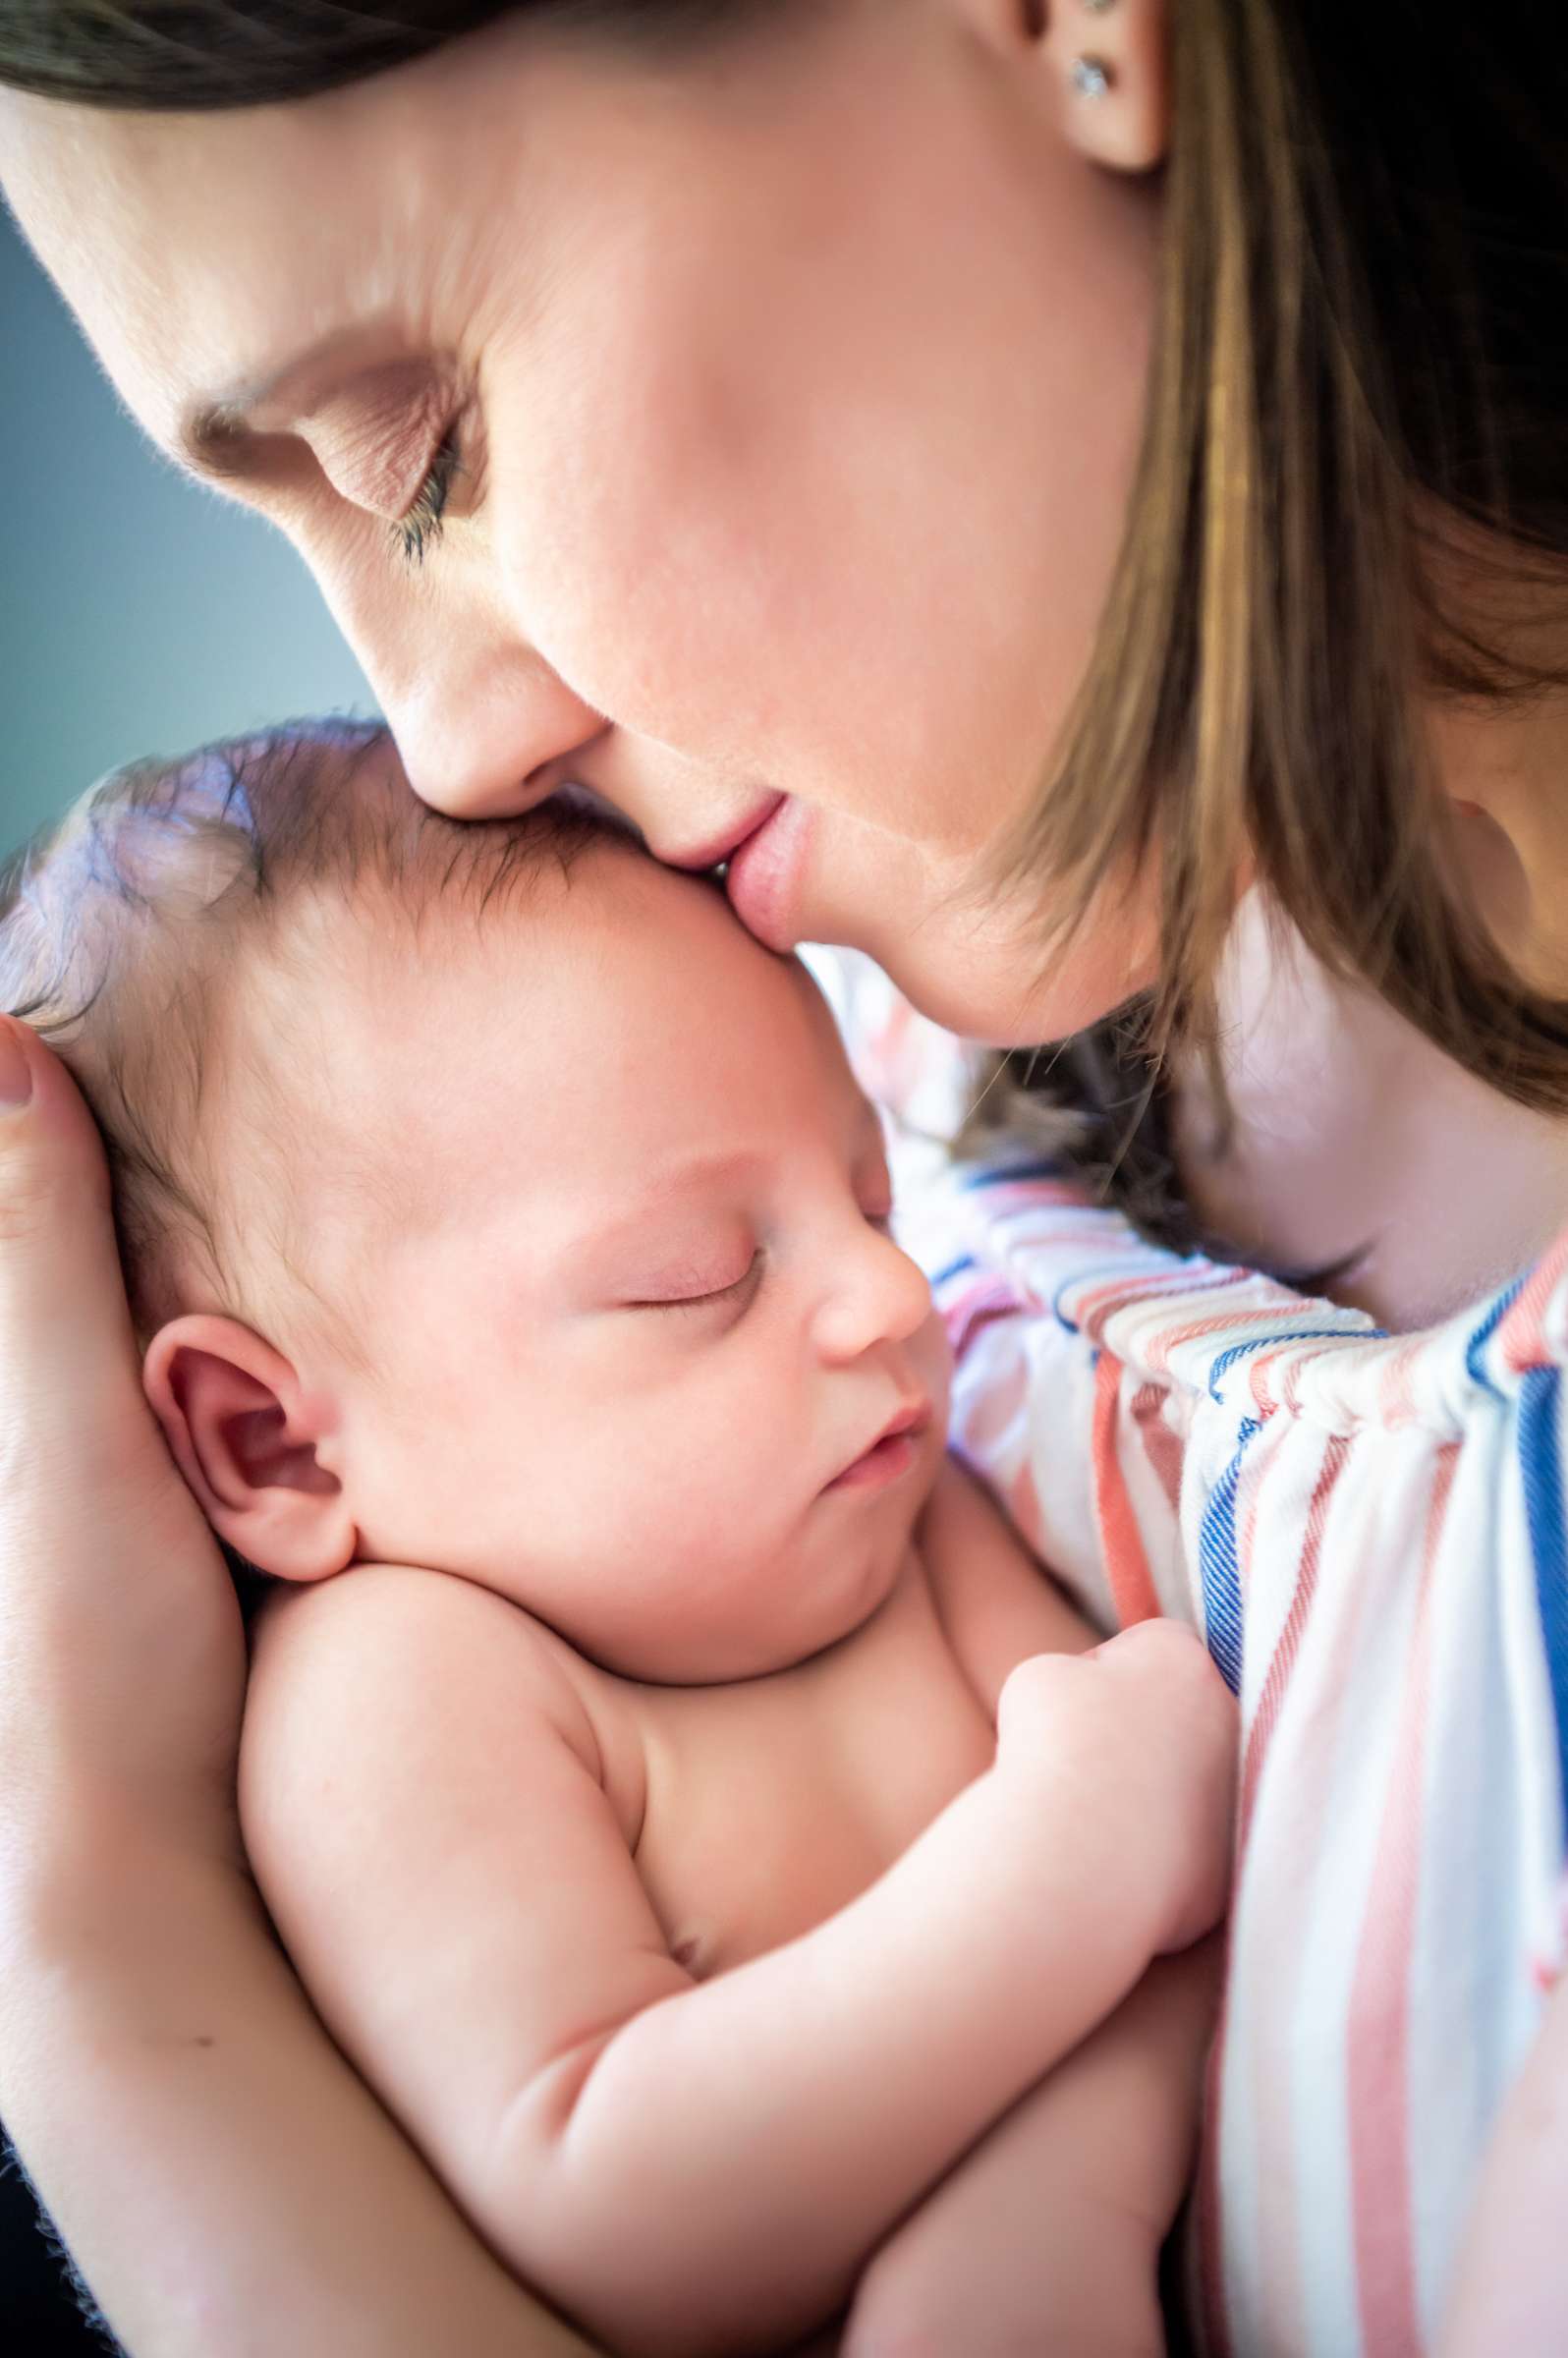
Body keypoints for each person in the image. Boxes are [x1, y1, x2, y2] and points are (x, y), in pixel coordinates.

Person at [0, 4, 1564, 2351]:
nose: (447, 738)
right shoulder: (898, 1041)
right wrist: (97, 1920)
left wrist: (120, 2002)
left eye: (424, 448)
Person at [8, 718, 1234, 2356]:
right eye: (702, 1277)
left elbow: (1170, 1902)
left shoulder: (893, 1507)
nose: (887, 1298)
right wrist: (1065, 1858)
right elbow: (621, 2197)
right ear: (274, 1441)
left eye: (868, 1203)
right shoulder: (403, 1691)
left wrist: (1049, 2200)